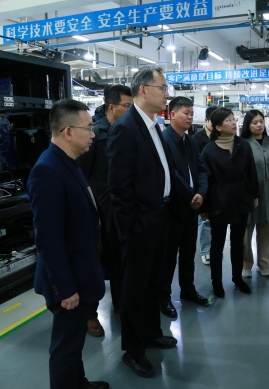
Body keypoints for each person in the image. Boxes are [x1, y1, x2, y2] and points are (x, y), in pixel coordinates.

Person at [27, 99, 109, 389]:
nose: (93, 134)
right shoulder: (47, 170)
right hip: (68, 282)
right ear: (68, 132)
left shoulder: (68, 162)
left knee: (73, 343)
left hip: (81, 271)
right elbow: (48, 238)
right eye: (88, 128)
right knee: (65, 347)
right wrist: (65, 287)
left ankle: (79, 383)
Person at [107, 66, 177, 378]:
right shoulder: (125, 128)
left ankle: (150, 334)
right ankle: (133, 350)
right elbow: (119, 189)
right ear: (144, 90)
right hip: (139, 225)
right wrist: (132, 230)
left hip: (159, 217)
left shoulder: (152, 125)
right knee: (134, 290)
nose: (167, 94)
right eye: (163, 88)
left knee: (153, 283)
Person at [78, 84, 133, 334]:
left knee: (121, 259)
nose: (130, 111)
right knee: (96, 263)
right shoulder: (95, 134)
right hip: (100, 210)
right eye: (126, 106)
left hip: (123, 208)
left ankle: (121, 303)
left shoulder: (128, 132)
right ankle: (90, 314)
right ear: (112, 107)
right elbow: (82, 175)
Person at [200, 107, 259, 298]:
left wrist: (255, 196)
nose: (234, 123)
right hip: (219, 200)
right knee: (217, 243)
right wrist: (204, 207)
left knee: (238, 242)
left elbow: (251, 172)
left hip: (241, 198)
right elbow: (205, 180)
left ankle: (237, 278)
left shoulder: (243, 145)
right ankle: (216, 282)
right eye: (228, 120)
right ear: (218, 127)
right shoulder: (209, 150)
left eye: (234, 119)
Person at [160, 96, 209, 319]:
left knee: (189, 253)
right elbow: (171, 174)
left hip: (192, 207)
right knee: (168, 256)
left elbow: (201, 168)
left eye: (191, 113)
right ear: (172, 115)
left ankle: (187, 289)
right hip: (172, 208)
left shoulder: (191, 141)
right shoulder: (163, 141)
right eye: (185, 113)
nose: (190, 117)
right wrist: (191, 195)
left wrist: (201, 192)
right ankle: (164, 297)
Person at [240, 110, 269, 278]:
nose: (259, 125)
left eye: (261, 121)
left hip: (268, 196)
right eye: (254, 122)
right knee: (245, 234)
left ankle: (263, 264)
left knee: (265, 233)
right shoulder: (242, 144)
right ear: (247, 125)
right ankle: (246, 265)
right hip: (247, 197)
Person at [193, 106, 217, 265]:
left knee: (217, 221)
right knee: (205, 220)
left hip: (219, 187)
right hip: (204, 186)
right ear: (206, 121)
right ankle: (205, 251)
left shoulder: (223, 137)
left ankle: (215, 249)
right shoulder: (196, 139)